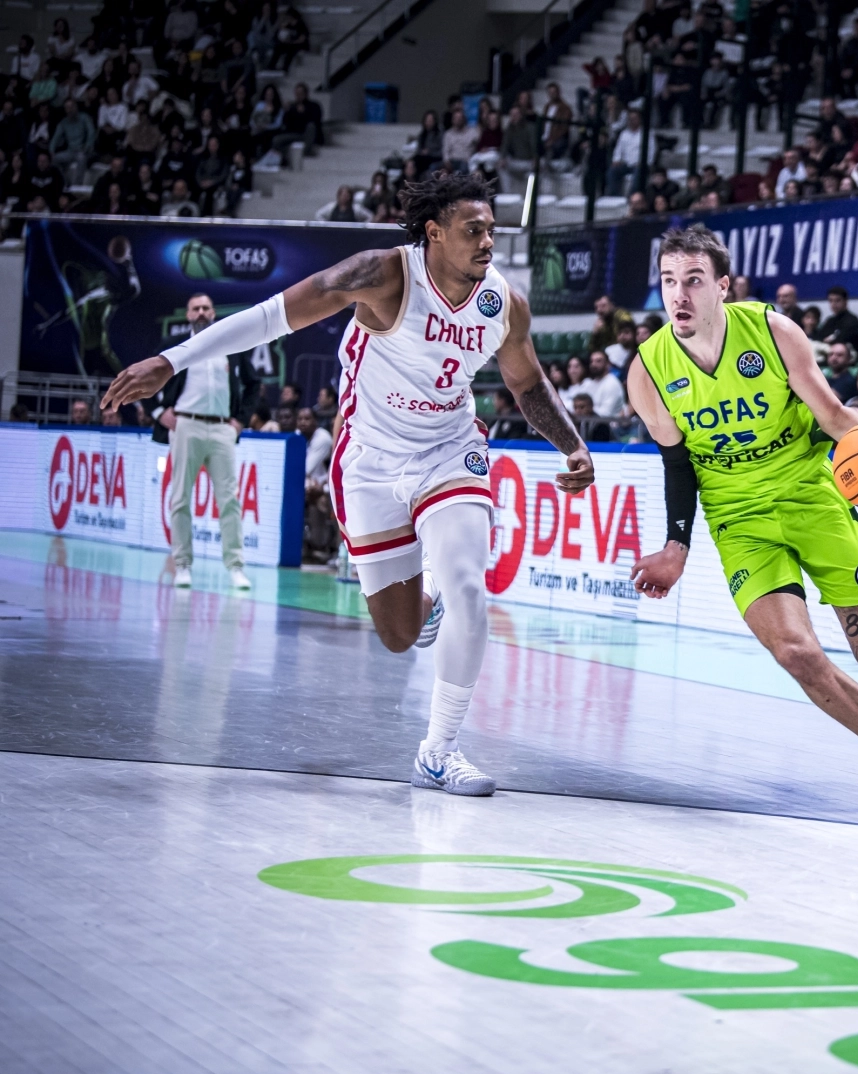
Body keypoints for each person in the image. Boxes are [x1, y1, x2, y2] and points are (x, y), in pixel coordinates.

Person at [103, 172, 594, 797]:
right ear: (434, 232)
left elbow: (526, 383)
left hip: (451, 451)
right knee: (400, 635)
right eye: (474, 231)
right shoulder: (383, 275)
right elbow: (271, 317)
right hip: (370, 461)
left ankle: (438, 751)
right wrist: (170, 360)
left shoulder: (505, 302)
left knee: (471, 589)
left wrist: (572, 444)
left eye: (492, 231)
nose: (488, 242)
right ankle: (430, 597)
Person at [624, 224, 858, 820]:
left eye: (693, 280)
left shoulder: (774, 332)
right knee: (797, 654)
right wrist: (676, 545)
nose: (679, 294)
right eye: (669, 281)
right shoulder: (648, 369)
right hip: (738, 518)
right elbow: (677, 463)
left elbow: (832, 415)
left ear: (722, 286)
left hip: (811, 495)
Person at [146, 292, 261, 591]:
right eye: (195, 308)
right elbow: (146, 378)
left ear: (213, 313)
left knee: (230, 500)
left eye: (206, 308)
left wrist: (240, 421)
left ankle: (236, 567)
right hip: (186, 424)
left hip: (222, 428)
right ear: (188, 315)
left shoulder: (230, 345)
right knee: (180, 497)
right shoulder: (175, 346)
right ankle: (182, 564)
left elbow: (253, 383)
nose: (201, 312)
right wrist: (158, 412)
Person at [296, 406, 333, 489]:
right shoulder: (297, 434)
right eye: (300, 419)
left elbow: (306, 470)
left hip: (325, 484)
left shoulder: (323, 438)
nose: (302, 422)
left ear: (315, 421)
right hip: (307, 480)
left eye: (307, 419)